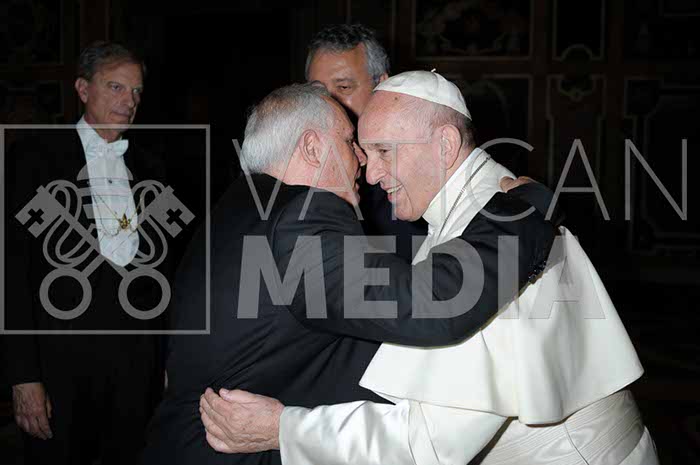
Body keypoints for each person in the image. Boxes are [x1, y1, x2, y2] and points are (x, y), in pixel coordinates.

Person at [200, 72, 660, 465]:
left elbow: (427, 444)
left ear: (445, 144)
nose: (371, 174)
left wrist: (284, 429)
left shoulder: (491, 227)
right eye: (366, 153)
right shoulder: (486, 211)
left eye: (384, 151)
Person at [141, 82, 554, 464]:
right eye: (349, 143)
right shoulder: (299, 214)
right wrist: (521, 210)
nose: (362, 161)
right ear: (311, 148)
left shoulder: (238, 209)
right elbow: (431, 303)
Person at [3, 41, 170, 465]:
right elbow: (12, 270)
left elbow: (163, 273)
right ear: (82, 89)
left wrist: (167, 360)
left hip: (136, 367)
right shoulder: (33, 158)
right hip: (59, 366)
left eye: (136, 91)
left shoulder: (154, 166)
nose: (129, 101)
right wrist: (23, 376)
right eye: (116, 87)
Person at [306, 23, 427, 261]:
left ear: (381, 85)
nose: (327, 103)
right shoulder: (296, 169)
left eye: (343, 87)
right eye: (317, 91)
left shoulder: (420, 161)